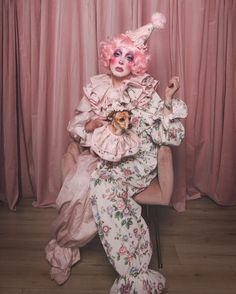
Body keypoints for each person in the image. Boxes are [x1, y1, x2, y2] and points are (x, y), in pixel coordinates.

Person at [45, 12, 187, 294]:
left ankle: (135, 273)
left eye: (129, 57)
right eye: (117, 55)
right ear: (109, 57)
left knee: (102, 186)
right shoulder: (96, 87)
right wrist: (92, 123)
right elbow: (76, 127)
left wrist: (168, 100)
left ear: (137, 64)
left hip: (136, 158)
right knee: (84, 184)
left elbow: (167, 135)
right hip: (102, 155)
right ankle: (69, 247)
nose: (121, 61)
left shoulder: (145, 89)